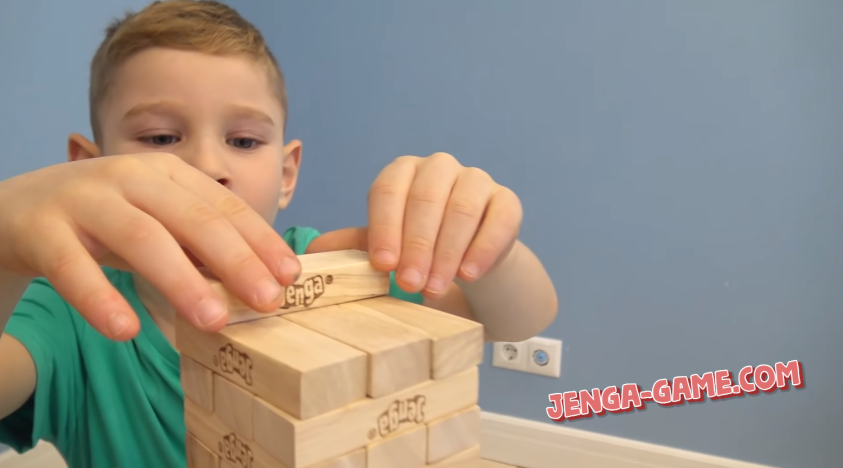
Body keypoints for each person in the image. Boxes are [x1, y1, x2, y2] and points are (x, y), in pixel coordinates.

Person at [0, 1, 558, 467]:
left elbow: (513, 320)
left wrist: (491, 248)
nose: (205, 164)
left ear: (286, 174)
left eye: (243, 142)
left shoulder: (318, 265)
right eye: (161, 137)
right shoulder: (63, 310)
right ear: (85, 166)